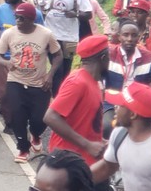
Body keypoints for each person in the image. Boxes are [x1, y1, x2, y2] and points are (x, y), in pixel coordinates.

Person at [0, 2, 62, 163]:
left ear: (32, 20)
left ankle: (36, 135)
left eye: (22, 18)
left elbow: (58, 55)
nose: (18, 20)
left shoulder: (46, 34)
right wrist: (6, 63)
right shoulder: (9, 34)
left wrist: (50, 75)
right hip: (15, 81)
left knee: (40, 119)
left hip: (39, 83)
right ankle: (23, 149)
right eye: (16, 17)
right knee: (17, 116)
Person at [44, 35, 109, 167]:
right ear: (103, 58)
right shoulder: (77, 82)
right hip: (67, 163)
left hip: (85, 161)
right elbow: (50, 117)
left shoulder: (94, 83)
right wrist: (87, 144)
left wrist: (99, 140)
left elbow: (85, 121)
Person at [91, 82, 151, 189]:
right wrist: (73, 180)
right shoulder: (119, 134)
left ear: (133, 114)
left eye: (121, 105)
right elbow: (107, 167)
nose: (116, 108)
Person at [0, 0, 44, 107]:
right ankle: (9, 121)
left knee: (21, 93)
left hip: (26, 60)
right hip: (4, 58)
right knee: (3, 91)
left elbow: (42, 34)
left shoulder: (34, 13)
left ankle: (15, 117)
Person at [36, 0, 93, 95]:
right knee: (57, 67)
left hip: (70, 37)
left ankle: (62, 93)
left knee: (66, 68)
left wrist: (76, 14)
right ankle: (55, 95)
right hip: (51, 35)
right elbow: (39, 6)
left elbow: (88, 14)